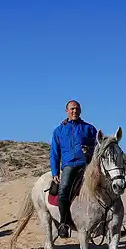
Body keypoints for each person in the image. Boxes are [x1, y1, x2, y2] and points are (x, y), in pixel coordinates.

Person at [50, 100, 97, 238]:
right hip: (69, 166)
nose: (74, 111)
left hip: (87, 166)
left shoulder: (89, 129)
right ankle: (64, 224)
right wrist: (55, 172)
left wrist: (89, 150)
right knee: (63, 191)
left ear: (80, 110)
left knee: (106, 187)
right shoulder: (59, 131)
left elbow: (98, 148)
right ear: (67, 111)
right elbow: (54, 153)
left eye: (77, 109)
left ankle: (114, 222)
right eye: (72, 109)